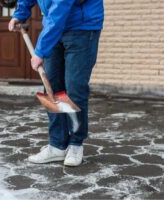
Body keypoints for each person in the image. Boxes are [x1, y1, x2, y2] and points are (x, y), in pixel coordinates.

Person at [8, 0, 104, 166]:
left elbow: (61, 6)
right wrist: (20, 13)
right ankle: (57, 145)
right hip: (54, 27)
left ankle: (75, 144)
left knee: (74, 89)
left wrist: (40, 51)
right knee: (52, 88)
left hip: (82, 27)